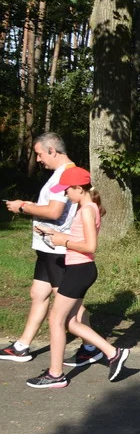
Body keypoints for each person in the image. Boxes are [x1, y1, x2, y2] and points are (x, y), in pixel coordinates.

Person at [1, 132, 101, 367]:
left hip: (56, 249)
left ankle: (91, 347)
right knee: (38, 293)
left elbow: (55, 212)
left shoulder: (65, 176)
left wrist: (23, 207)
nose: (38, 159)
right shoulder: (59, 174)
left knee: (69, 303)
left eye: (39, 154)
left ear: (52, 151)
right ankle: (22, 346)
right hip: (46, 247)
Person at [25, 167, 130, 388]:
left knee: (56, 319)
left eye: (66, 191)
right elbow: (81, 238)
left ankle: (56, 375)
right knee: (70, 321)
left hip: (80, 269)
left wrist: (64, 242)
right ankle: (113, 353)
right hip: (79, 269)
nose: (65, 195)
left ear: (78, 189)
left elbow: (90, 246)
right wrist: (54, 235)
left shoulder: (86, 211)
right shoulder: (88, 207)